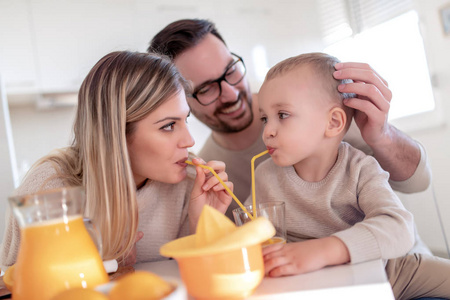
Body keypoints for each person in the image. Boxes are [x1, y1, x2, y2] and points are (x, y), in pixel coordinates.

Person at [148, 18, 431, 230]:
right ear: (182, 101)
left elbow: (419, 182)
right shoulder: (210, 175)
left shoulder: (312, 106)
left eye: (230, 71)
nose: (231, 93)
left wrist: (383, 136)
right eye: (208, 88)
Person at [0, 51, 233, 269]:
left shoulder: (189, 185)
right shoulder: (49, 191)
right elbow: (13, 286)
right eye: (169, 126)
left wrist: (203, 225)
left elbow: (196, 284)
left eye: (185, 120)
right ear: (116, 133)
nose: (190, 141)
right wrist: (104, 269)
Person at [255, 52, 450, 300]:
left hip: (392, 272)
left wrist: (324, 250)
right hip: (316, 282)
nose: (268, 131)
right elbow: (255, 235)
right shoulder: (263, 175)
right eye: (264, 118)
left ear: (334, 122)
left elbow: (399, 228)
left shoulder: (361, 168)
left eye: (282, 115)